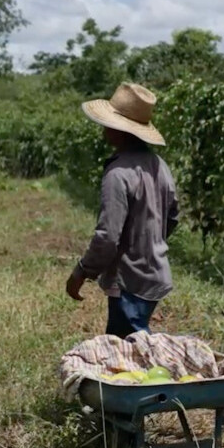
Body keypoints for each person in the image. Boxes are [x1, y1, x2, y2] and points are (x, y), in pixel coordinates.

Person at [65, 82, 179, 339]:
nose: (104, 129)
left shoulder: (118, 174)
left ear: (120, 131)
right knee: (132, 344)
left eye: (109, 124)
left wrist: (81, 271)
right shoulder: (159, 165)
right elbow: (172, 216)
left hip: (130, 280)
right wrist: (149, 244)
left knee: (129, 357)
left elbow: (108, 236)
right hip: (155, 273)